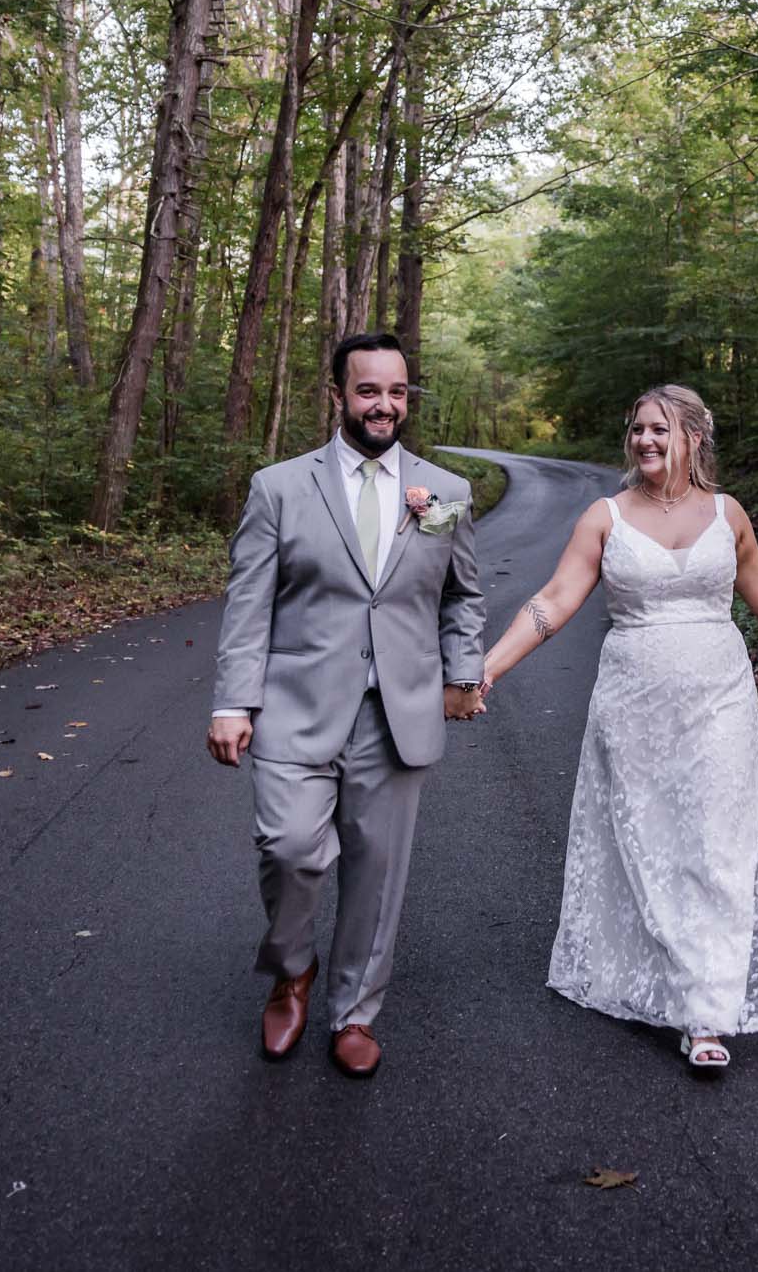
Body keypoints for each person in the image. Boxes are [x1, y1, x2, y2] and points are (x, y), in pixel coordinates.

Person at [477, 384, 758, 1069]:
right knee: (653, 842)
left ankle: (703, 1013)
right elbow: (555, 600)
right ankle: (676, 973)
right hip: (634, 703)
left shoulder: (727, 513)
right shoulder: (604, 516)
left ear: (694, 437)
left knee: (716, 843)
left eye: (659, 429)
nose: (645, 440)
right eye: (637, 430)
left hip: (721, 699)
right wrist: (490, 667)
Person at [207, 332, 487, 1076]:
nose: (384, 405)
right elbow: (248, 602)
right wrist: (233, 699)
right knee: (291, 848)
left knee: (378, 868)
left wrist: (463, 673)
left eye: (396, 392)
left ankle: (355, 1009)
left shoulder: (445, 492)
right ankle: (292, 966)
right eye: (368, 390)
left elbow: (463, 595)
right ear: (338, 396)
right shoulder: (279, 487)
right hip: (294, 704)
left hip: (398, 710)